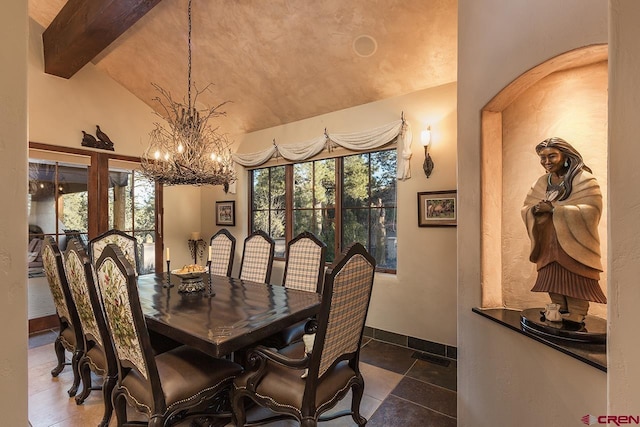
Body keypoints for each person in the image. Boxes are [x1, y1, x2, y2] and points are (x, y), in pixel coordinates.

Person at [521, 137, 606, 323]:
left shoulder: (584, 179)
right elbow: (527, 206)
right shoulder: (542, 182)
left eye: (552, 156)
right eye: (542, 158)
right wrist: (534, 210)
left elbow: (592, 210)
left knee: (576, 277)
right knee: (550, 276)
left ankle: (577, 312)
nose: (546, 162)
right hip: (548, 240)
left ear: (565, 155)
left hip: (575, 242)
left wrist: (553, 209)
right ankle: (557, 308)